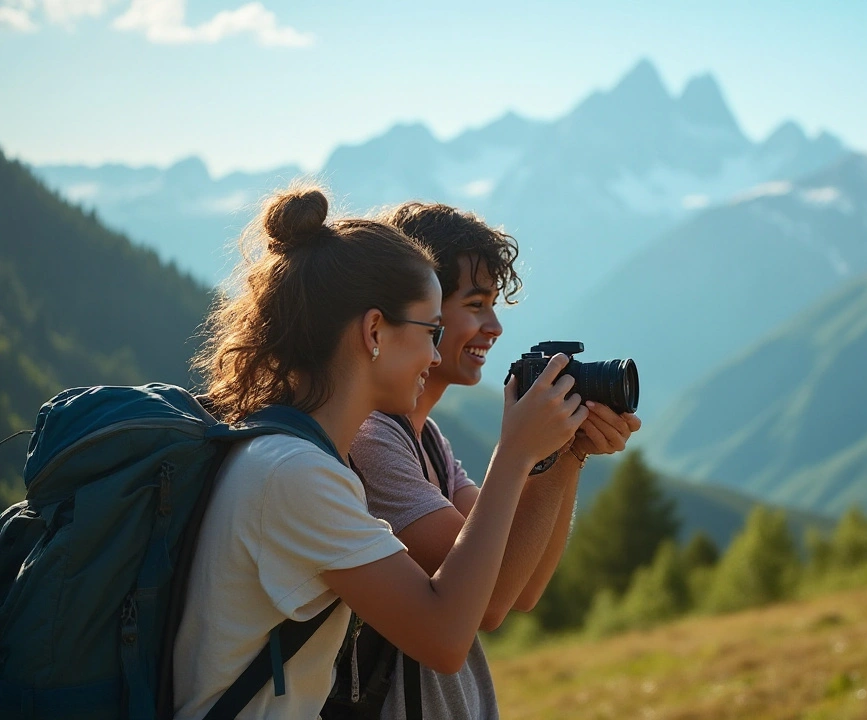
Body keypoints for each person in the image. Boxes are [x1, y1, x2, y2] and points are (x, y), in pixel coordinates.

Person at [173, 186, 587, 718]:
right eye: (430, 330)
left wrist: (558, 453)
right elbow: (446, 636)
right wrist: (515, 455)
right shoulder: (297, 475)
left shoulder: (298, 460)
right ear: (374, 331)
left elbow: (503, 587)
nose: (435, 353)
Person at [345, 201, 642, 719]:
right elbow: (491, 604)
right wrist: (519, 450)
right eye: (477, 304)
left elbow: (522, 585)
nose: (495, 326)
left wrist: (568, 452)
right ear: (425, 306)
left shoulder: (427, 438)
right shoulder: (371, 440)